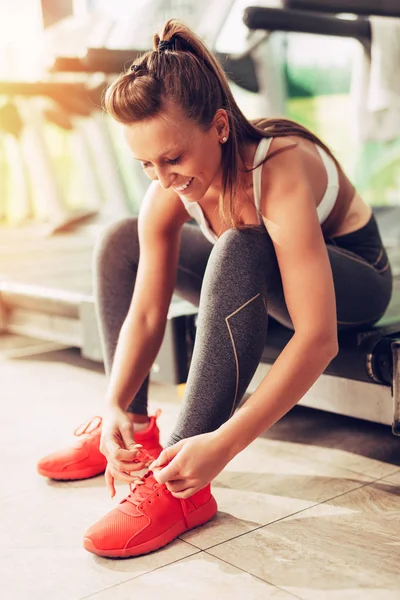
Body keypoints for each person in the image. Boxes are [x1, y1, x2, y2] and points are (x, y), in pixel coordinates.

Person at [37, 19, 393, 559]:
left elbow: (318, 338)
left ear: (221, 126)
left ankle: (183, 483)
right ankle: (134, 435)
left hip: (353, 284)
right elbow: (147, 313)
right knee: (120, 239)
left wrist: (221, 445)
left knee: (240, 246)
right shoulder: (167, 188)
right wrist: (113, 401)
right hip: (269, 279)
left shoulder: (280, 169)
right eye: (147, 164)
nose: (163, 179)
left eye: (174, 159)